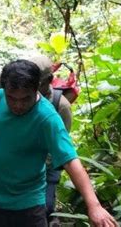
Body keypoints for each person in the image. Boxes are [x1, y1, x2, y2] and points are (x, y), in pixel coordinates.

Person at [0, 60, 118, 227]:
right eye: (12, 98)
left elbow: (70, 160)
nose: (18, 105)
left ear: (37, 88)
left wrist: (95, 206)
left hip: (26, 207)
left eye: (25, 99)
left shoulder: (47, 118)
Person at [29, 55, 72, 222]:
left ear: (49, 80)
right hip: (25, 164)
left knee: (45, 207)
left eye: (37, 83)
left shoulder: (61, 106)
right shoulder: (26, 99)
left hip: (47, 167)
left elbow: (61, 144)